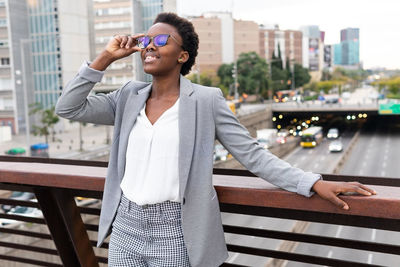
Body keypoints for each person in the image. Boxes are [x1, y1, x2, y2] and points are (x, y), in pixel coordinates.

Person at [55, 12, 376, 267]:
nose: (149, 46)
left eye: (161, 39)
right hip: (126, 227)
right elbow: (68, 106)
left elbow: (252, 154)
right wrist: (105, 59)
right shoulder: (128, 95)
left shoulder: (206, 100)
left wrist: (312, 183)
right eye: (145, 40)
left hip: (175, 229)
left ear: (182, 55)